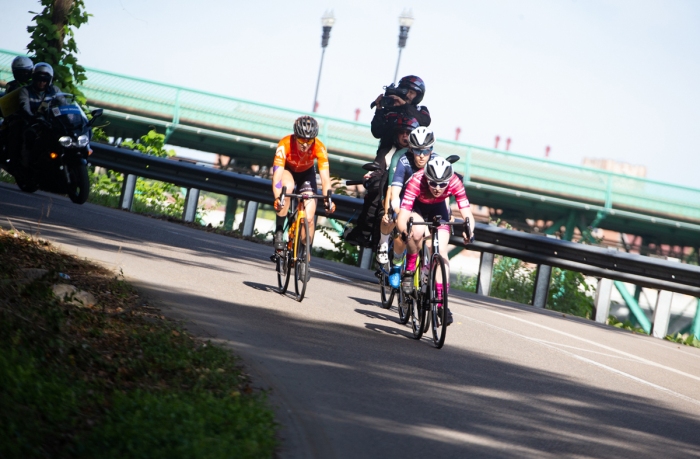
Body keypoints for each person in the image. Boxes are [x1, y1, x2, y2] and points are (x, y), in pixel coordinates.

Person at [396, 156, 475, 326]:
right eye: (433, 183)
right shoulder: (416, 181)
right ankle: (410, 269)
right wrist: (404, 231)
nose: (438, 188)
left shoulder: (454, 181)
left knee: (440, 250)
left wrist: (469, 231)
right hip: (417, 207)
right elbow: (402, 218)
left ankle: (441, 303)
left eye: (442, 184)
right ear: (427, 178)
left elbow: (467, 213)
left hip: (438, 209)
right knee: (416, 233)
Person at [344, 115, 418, 248]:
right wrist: (371, 177)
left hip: (412, 194)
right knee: (375, 191)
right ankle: (367, 234)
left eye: (409, 133)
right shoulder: (388, 151)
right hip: (391, 193)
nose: (405, 136)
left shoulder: (420, 154)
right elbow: (378, 168)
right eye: (402, 132)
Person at [382, 126, 438, 288]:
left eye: (426, 151)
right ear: (411, 149)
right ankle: (397, 265)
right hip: (406, 202)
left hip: (425, 206)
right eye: (417, 151)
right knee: (404, 235)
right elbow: (395, 189)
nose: (421, 156)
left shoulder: (436, 162)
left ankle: (426, 272)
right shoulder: (404, 161)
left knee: (430, 240)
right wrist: (395, 208)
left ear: (431, 149)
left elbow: (444, 194)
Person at [271, 116, 336, 253]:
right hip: (288, 170)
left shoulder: (319, 147)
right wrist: (278, 198)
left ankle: (305, 254)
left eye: (309, 140)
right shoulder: (284, 144)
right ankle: (278, 232)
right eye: (301, 140)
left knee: (310, 217)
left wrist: (328, 200)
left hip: (307, 174)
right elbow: (277, 177)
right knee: (287, 188)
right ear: (295, 136)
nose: (305, 144)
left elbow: (325, 179)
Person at [10, 63, 64, 167]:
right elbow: (24, 107)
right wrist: (32, 117)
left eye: (44, 80)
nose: (41, 83)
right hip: (34, 124)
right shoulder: (25, 91)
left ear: (49, 80)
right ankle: (26, 165)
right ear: (34, 79)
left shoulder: (55, 90)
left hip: (52, 124)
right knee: (29, 136)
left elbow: (64, 104)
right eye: (39, 80)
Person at [370, 75, 430, 164]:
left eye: (411, 92)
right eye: (405, 91)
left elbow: (425, 121)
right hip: (386, 157)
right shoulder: (389, 109)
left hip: (412, 157)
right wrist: (378, 110)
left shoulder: (421, 110)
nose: (407, 95)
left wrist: (404, 105)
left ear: (418, 96)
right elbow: (377, 133)